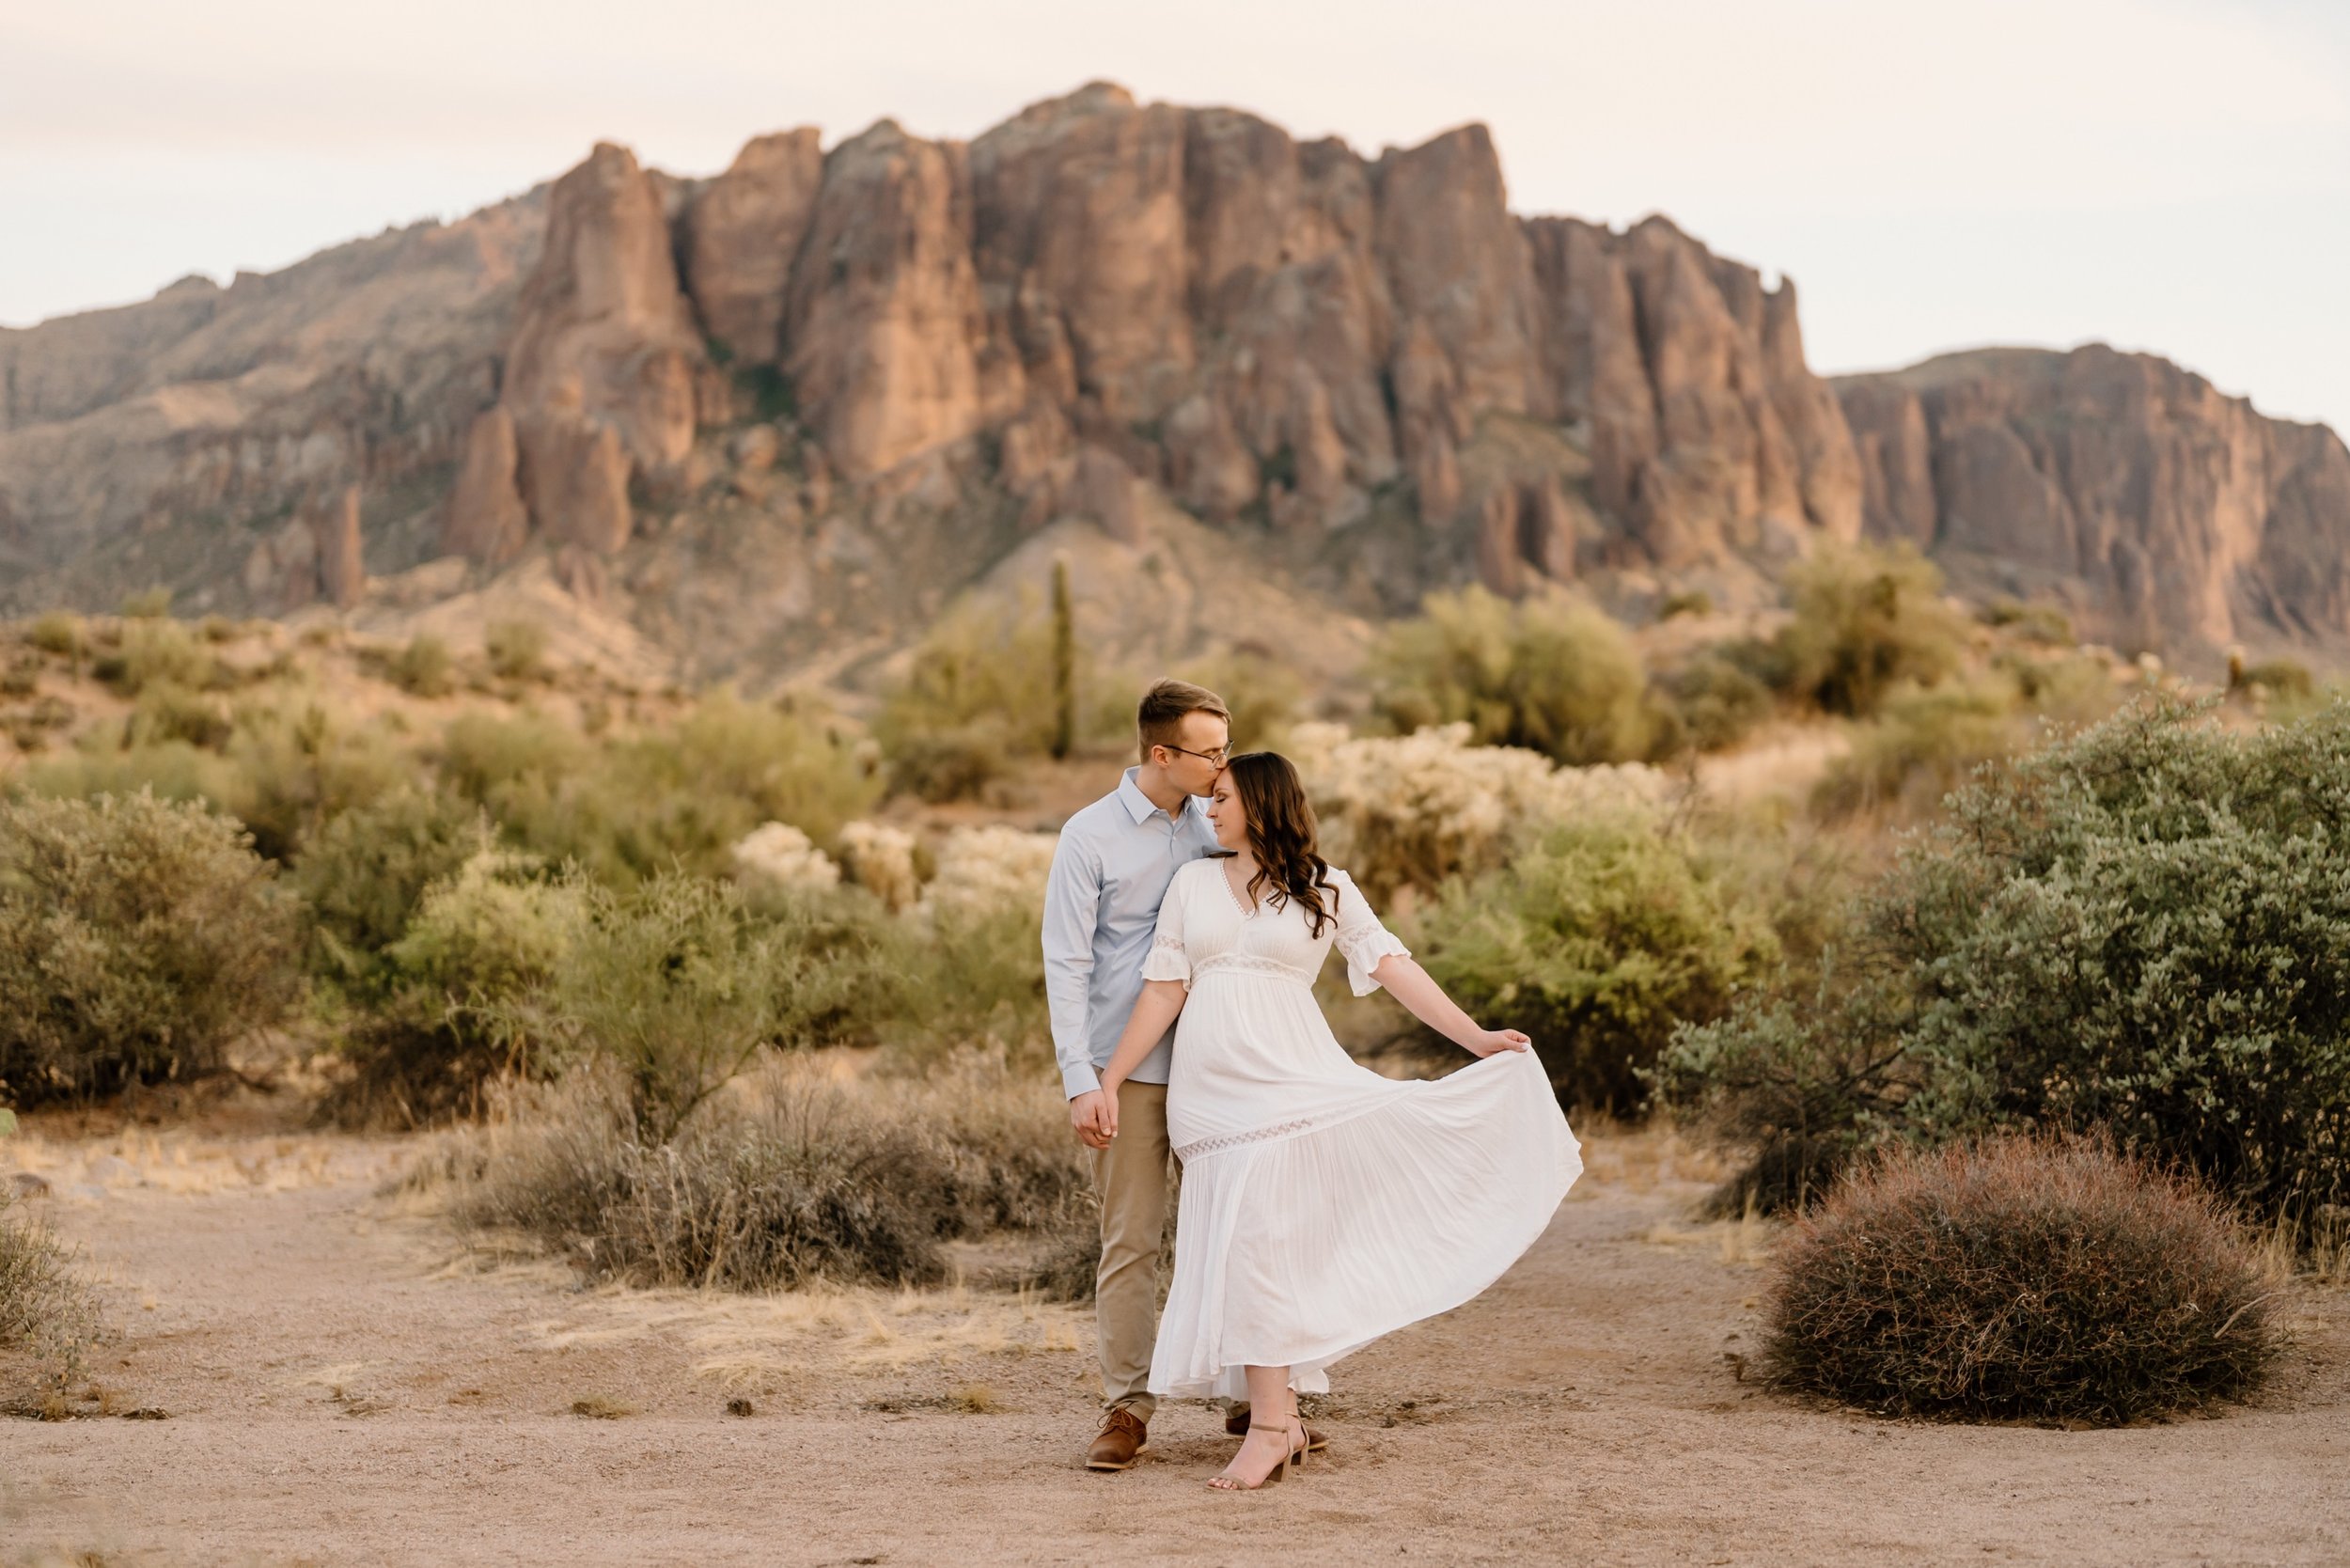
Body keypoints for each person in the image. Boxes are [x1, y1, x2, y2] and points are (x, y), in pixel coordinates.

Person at [1096, 750, 1582, 1490]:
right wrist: (1108, 1078)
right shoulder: (1191, 882)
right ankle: (1277, 1420)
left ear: (1262, 803)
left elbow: (1394, 968)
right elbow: (1164, 991)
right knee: (1248, 1248)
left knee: (1265, 1243)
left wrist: (1478, 1039)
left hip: (1292, 1077)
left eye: (1222, 798)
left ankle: (1269, 1426)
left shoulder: (1326, 888)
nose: (1210, 810)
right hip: (1214, 1096)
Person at [1041, 678, 1229, 1472]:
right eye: (1210, 752)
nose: (1225, 765)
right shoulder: (1088, 836)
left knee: (1232, 1232)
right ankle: (1127, 1406)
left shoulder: (1224, 823)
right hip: (1131, 1075)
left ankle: (1257, 1399)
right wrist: (1082, 1078)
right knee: (1132, 1242)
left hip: (1223, 1064)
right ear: (1162, 753)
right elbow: (1067, 960)